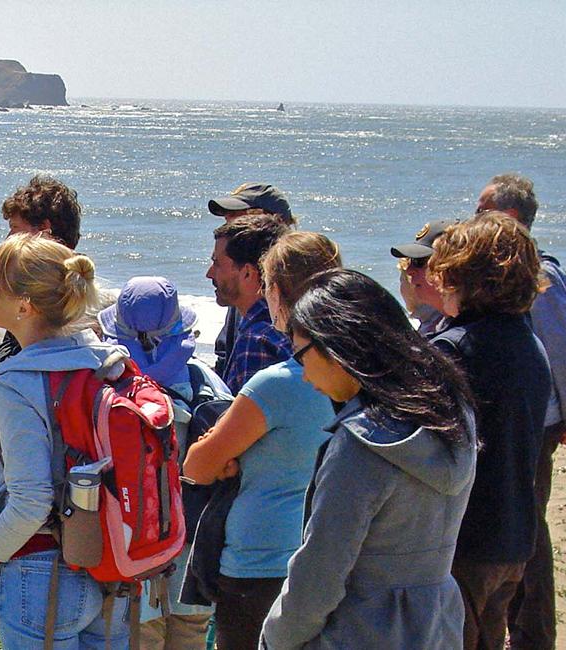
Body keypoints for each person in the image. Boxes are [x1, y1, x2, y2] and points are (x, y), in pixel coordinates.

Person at [260, 269, 477, 650]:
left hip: (358, 630)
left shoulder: (362, 445)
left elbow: (318, 578)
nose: (304, 375)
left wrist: (274, 639)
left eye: (300, 355)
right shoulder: (453, 413)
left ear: (338, 346)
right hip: (436, 624)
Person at [0, 233, 126, 649]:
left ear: (25, 305)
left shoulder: (17, 382)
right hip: (112, 562)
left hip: (40, 570)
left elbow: (31, 500)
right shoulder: (108, 363)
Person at [181, 235, 336, 650]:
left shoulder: (277, 383)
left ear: (280, 294)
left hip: (258, 557)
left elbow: (197, 466)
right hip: (319, 551)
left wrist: (225, 452)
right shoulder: (353, 374)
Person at [425, 213, 553, 650]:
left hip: (465, 538)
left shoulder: (455, 348)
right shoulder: (529, 343)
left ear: (462, 274)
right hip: (515, 536)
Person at [479, 174, 566, 650]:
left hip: (536, 422)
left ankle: (533, 635)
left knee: (529, 529)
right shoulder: (505, 269)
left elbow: (563, 351)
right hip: (520, 416)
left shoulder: (537, 273)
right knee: (518, 522)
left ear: (512, 217)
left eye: (484, 210)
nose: (475, 217)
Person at [97, 277, 213, 650]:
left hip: (134, 552)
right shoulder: (205, 381)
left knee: (139, 638)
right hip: (193, 549)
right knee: (191, 637)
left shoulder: (108, 391)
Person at [206, 183, 295, 377]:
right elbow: (225, 355)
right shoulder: (243, 292)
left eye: (234, 215)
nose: (227, 223)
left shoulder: (276, 302)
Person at [0, 174, 83, 362]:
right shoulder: (78, 279)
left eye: (15, 228)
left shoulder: (48, 288)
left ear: (43, 230)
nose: (8, 237)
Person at [390, 220, 459, 337]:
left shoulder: (467, 336)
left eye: (419, 261)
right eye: (411, 261)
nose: (409, 270)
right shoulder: (442, 327)